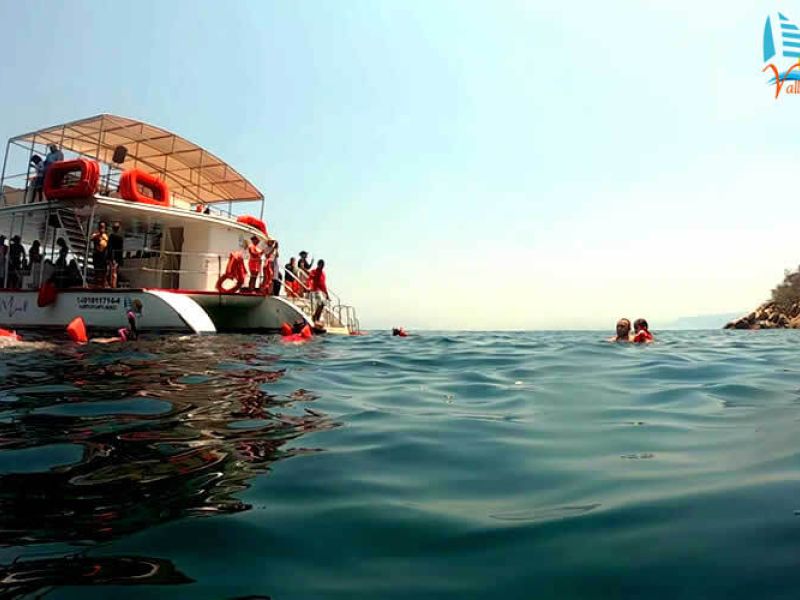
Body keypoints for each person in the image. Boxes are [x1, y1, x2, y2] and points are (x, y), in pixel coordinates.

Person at [90, 221, 109, 287]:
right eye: (101, 226)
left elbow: (108, 244)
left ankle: (104, 283)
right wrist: (97, 236)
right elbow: (91, 238)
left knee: (104, 270)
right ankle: (96, 284)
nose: (102, 228)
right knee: (96, 270)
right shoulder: (95, 235)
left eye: (103, 226)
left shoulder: (106, 236)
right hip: (97, 254)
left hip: (104, 255)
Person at [108, 222, 124, 288]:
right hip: (118, 257)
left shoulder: (111, 236)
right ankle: (114, 285)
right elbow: (121, 249)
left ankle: (112, 285)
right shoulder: (121, 237)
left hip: (113, 256)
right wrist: (120, 259)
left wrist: (111, 258)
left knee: (112, 272)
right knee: (115, 272)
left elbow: (110, 248)